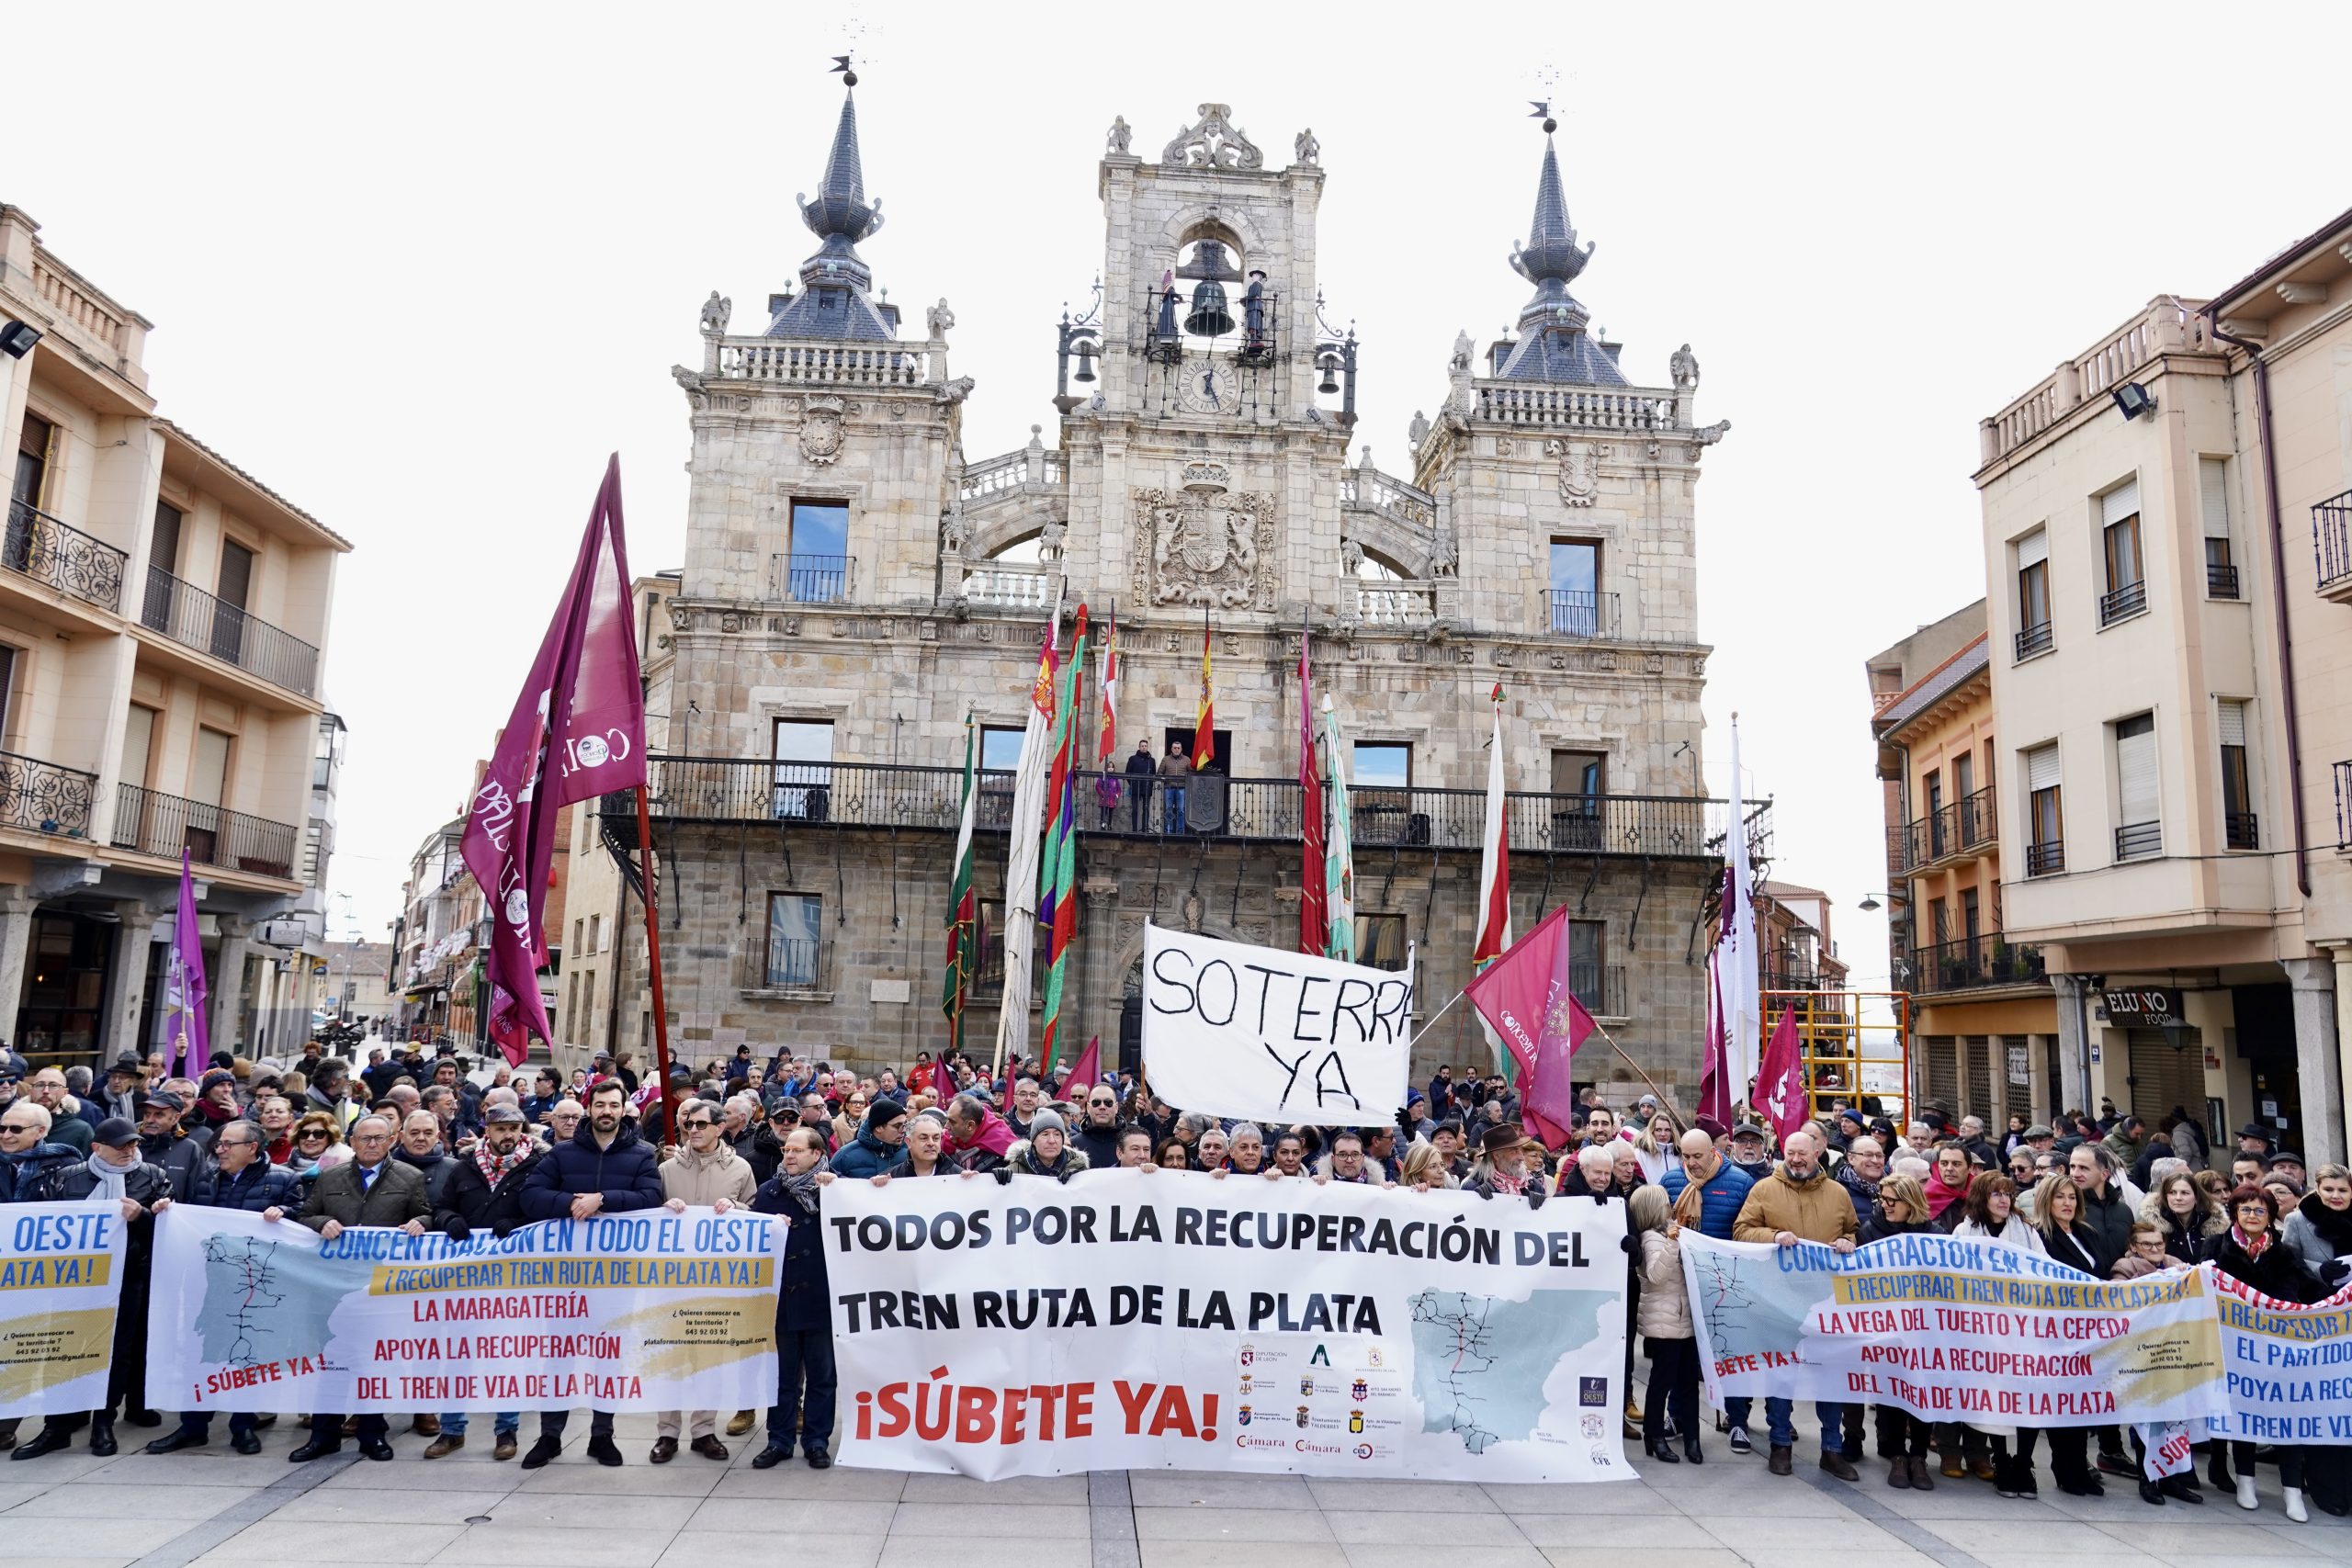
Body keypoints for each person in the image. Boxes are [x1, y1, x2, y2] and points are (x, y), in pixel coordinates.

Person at [514, 1079, 663, 1468]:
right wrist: (570, 1204)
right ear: (589, 1108)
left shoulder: (642, 1155)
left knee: (608, 1357)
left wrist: (605, 1201)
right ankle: (550, 1436)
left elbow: (651, 1199)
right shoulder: (562, 1154)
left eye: (614, 1105)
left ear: (623, 1109)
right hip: (565, 1278)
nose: (606, 1112)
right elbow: (530, 1196)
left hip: (616, 1278)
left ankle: (602, 1436)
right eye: (600, 1105)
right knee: (559, 1357)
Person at [9, 1118, 171, 1461]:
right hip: (73, 1281)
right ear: (97, 1148)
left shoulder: (152, 1176)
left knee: (117, 1354)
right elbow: (45, 1226)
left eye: (133, 1144)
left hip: (127, 1278)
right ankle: (57, 1427)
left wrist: (141, 1216)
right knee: (63, 1350)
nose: (130, 1151)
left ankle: (104, 1422)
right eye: (121, 1145)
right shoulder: (67, 1177)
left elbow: (169, 1231)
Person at [145, 1119, 300, 1457]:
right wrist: (166, 1208)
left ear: (252, 1149)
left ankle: (242, 1426)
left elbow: (305, 1220)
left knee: (248, 1354)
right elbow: (186, 1211)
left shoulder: (285, 1180)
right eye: (219, 1143)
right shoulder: (207, 1177)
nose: (219, 1149)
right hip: (209, 1280)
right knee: (200, 1353)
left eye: (229, 1144)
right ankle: (193, 1426)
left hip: (256, 1286)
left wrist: (286, 1211)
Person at [278, 1113, 427, 1461]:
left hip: (378, 1287)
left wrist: (421, 1222)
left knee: (371, 1362)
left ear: (392, 1140)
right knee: (330, 1361)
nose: (371, 1144)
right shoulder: (329, 1176)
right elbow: (304, 1215)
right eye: (364, 1139)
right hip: (332, 1286)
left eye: (379, 1138)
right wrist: (321, 1221)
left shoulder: (410, 1177)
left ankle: (372, 1433)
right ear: (352, 1141)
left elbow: (426, 1214)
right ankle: (323, 1435)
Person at [1731, 1125, 1858, 1479]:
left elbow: (1852, 1229)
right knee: (1781, 1377)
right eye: (1791, 1153)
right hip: (1778, 1302)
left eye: (1803, 1153)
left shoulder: (1838, 1193)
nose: (1797, 1159)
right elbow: (1741, 1230)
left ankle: (1832, 1449)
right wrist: (1773, 1236)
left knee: (1830, 1377)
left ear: (1818, 1153)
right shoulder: (1764, 1189)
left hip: (1825, 1303)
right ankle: (1780, 1445)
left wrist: (1849, 1240)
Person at [424, 1103, 544, 1459]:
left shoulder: (534, 1167)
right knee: (458, 1353)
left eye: (513, 1128)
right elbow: (442, 1208)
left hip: (511, 1278)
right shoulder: (464, 1168)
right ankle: (452, 1430)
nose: (507, 1135)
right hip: (465, 1278)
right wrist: (449, 1221)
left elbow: (541, 1210)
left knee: (505, 1354)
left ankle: (506, 1431)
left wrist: (518, 1222)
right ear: (487, 1131)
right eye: (500, 1129)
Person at [650, 1098, 757, 1464]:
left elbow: (757, 1216)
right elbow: (647, 1211)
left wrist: (737, 1209)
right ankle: (666, 1434)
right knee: (671, 1357)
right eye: (687, 1125)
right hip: (672, 1280)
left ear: (718, 1128)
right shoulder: (666, 1169)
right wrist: (663, 1210)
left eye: (700, 1125)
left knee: (708, 1357)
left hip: (716, 1281)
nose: (692, 1130)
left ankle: (704, 1430)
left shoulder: (740, 1168)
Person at [2207, 1185, 2321, 1520]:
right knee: (2245, 1413)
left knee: (2288, 1417)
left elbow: (2310, 1290)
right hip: (2236, 1348)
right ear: (2235, 1213)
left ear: (2270, 1216)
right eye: (2246, 1210)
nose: (2253, 1216)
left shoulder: (2285, 1253)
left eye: (2260, 1211)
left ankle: (2292, 1491)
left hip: (2280, 1349)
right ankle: (2246, 1481)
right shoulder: (2215, 1248)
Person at [751, 1127, 837, 1469]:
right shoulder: (769, 1193)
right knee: (782, 1377)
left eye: (797, 1150)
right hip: (781, 1302)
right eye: (786, 1149)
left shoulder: (835, 1191)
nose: (789, 1155)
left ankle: (817, 1441)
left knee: (821, 1377)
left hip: (821, 1298)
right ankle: (779, 1440)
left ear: (816, 1155)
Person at [1860, 1173, 1936, 1489]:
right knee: (1890, 1391)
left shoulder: (1935, 1234)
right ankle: (1897, 1456)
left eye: (1893, 1200)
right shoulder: (1869, 1231)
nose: (1885, 1205)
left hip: (1924, 1328)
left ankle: (1919, 1455)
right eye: (1883, 1198)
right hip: (1887, 1325)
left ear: (1911, 1203)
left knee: (1923, 1390)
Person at [1632, 1183, 1701, 1464]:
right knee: (1662, 1382)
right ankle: (1654, 1435)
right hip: (1663, 1323)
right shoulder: (1650, 1239)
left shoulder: (1671, 1231)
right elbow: (1656, 1276)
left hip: (1683, 1319)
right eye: (1664, 1201)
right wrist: (1673, 1244)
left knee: (1688, 1383)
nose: (1670, 1204)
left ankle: (1693, 1436)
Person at [2283, 1163, 2352, 1289]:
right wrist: (2319, 1270)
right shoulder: (2296, 1220)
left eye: (2343, 1190)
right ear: (2318, 1189)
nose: (2336, 1196)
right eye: (2328, 1190)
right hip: (2320, 1302)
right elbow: (2287, 1262)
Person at [0, 1101, 80, 1201]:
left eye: (16, 1129)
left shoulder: (66, 1165)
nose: (6, 1136)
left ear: (40, 1131)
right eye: (2, 1129)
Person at [830, 1096, 909, 1179]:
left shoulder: (911, 1153)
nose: (903, 1130)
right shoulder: (844, 1155)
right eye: (897, 1126)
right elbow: (829, 1187)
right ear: (879, 1127)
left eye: (905, 1124)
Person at [1464, 1123, 1544, 1203]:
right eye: (1514, 1151)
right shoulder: (1475, 1186)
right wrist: (1475, 1198)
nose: (1522, 1158)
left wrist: (1541, 1205)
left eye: (1520, 1151)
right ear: (1497, 1156)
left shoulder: (1532, 1184)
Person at [1001, 1109, 1086, 1181]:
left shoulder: (1080, 1171)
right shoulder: (1014, 1171)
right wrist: (998, 1181)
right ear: (1033, 1140)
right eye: (1045, 1134)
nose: (1052, 1141)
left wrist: (1077, 1179)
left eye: (1057, 1134)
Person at [1071, 1086, 1123, 1168]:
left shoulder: (1129, 1143)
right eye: (1096, 1103)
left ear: (1116, 1107)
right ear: (1088, 1107)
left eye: (1108, 1103)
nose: (1102, 1107)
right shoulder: (1073, 1145)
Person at [1157, 739, 1191, 831]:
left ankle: (1180, 832)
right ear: (1171, 749)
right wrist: (1164, 779)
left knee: (1181, 810)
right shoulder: (1166, 759)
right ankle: (1168, 831)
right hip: (1169, 788)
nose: (1176, 750)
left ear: (1181, 749)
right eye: (1175, 748)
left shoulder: (1187, 759)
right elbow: (1159, 773)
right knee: (1168, 810)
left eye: (1178, 748)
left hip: (1182, 788)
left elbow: (1191, 773)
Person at [1124, 739, 1157, 830]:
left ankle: (1145, 828)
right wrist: (1133, 783)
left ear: (1147, 747)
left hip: (1146, 787)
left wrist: (1150, 784)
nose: (1144, 747)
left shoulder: (1151, 760)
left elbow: (1154, 774)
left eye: (1145, 746)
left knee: (1146, 809)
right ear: (1139, 747)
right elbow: (1127, 773)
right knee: (1135, 809)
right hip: (1135, 787)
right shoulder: (1133, 759)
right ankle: (1134, 829)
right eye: (1142, 746)